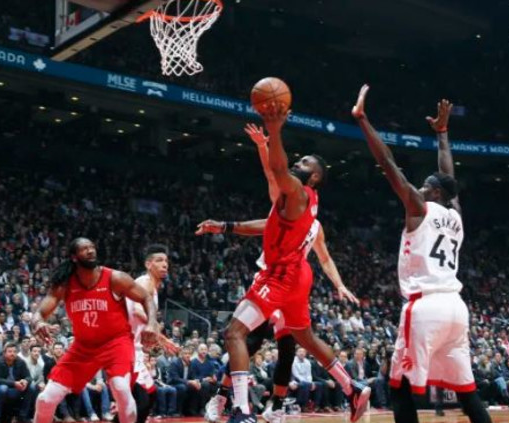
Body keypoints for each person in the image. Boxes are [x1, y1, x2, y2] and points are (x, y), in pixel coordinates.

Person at [196, 123, 359, 423]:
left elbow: (277, 174)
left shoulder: (298, 199)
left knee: (250, 338)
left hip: (280, 277)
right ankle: (351, 387)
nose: (298, 163)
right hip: (294, 276)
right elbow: (273, 183)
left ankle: (247, 407)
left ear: (315, 177)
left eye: (304, 162)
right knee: (287, 340)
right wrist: (263, 147)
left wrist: (271, 133)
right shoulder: (306, 205)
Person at [352, 85, 491, 423]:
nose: (421, 187)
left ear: (436, 193)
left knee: (398, 386)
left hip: (426, 306)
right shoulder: (455, 214)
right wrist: (442, 134)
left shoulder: (420, 207)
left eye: (427, 185)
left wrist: (363, 120)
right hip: (456, 309)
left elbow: (387, 163)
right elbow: (449, 174)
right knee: (467, 392)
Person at [30, 237, 160, 423]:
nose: (91, 251)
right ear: (74, 257)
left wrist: (152, 323)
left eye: (92, 247)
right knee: (45, 399)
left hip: (116, 342)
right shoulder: (65, 284)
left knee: (121, 389)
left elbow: (146, 297)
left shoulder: (115, 278)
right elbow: (40, 313)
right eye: (84, 249)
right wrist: (38, 322)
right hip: (83, 347)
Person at [127, 244, 179, 423]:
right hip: (125, 348)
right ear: (148, 264)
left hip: (135, 348)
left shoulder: (153, 288)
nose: (165, 264)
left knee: (149, 397)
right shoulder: (144, 282)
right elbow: (136, 310)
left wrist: (156, 339)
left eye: (166, 261)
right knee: (143, 400)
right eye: (159, 260)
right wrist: (162, 337)